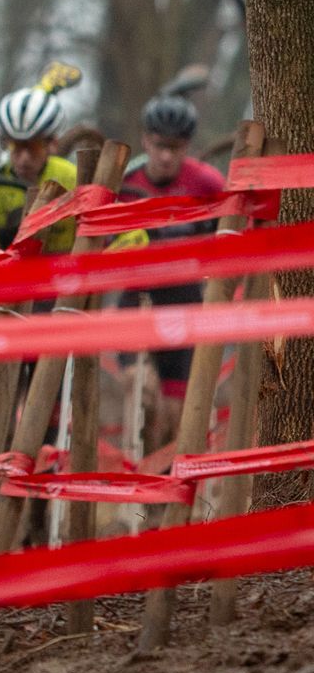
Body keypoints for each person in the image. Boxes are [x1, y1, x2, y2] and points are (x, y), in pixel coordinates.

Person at [117, 81, 223, 450]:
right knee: (141, 393)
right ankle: (138, 472)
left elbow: (226, 236)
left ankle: (166, 496)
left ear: (187, 147)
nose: (165, 157)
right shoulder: (126, 183)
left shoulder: (206, 183)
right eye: (160, 146)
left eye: (175, 148)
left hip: (184, 298)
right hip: (136, 296)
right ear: (146, 142)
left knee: (178, 414)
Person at [0, 62, 82, 254]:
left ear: (52, 143)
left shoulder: (73, 179)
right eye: (16, 146)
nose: (24, 157)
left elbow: (123, 234)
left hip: (62, 279)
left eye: (33, 146)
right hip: (1, 279)